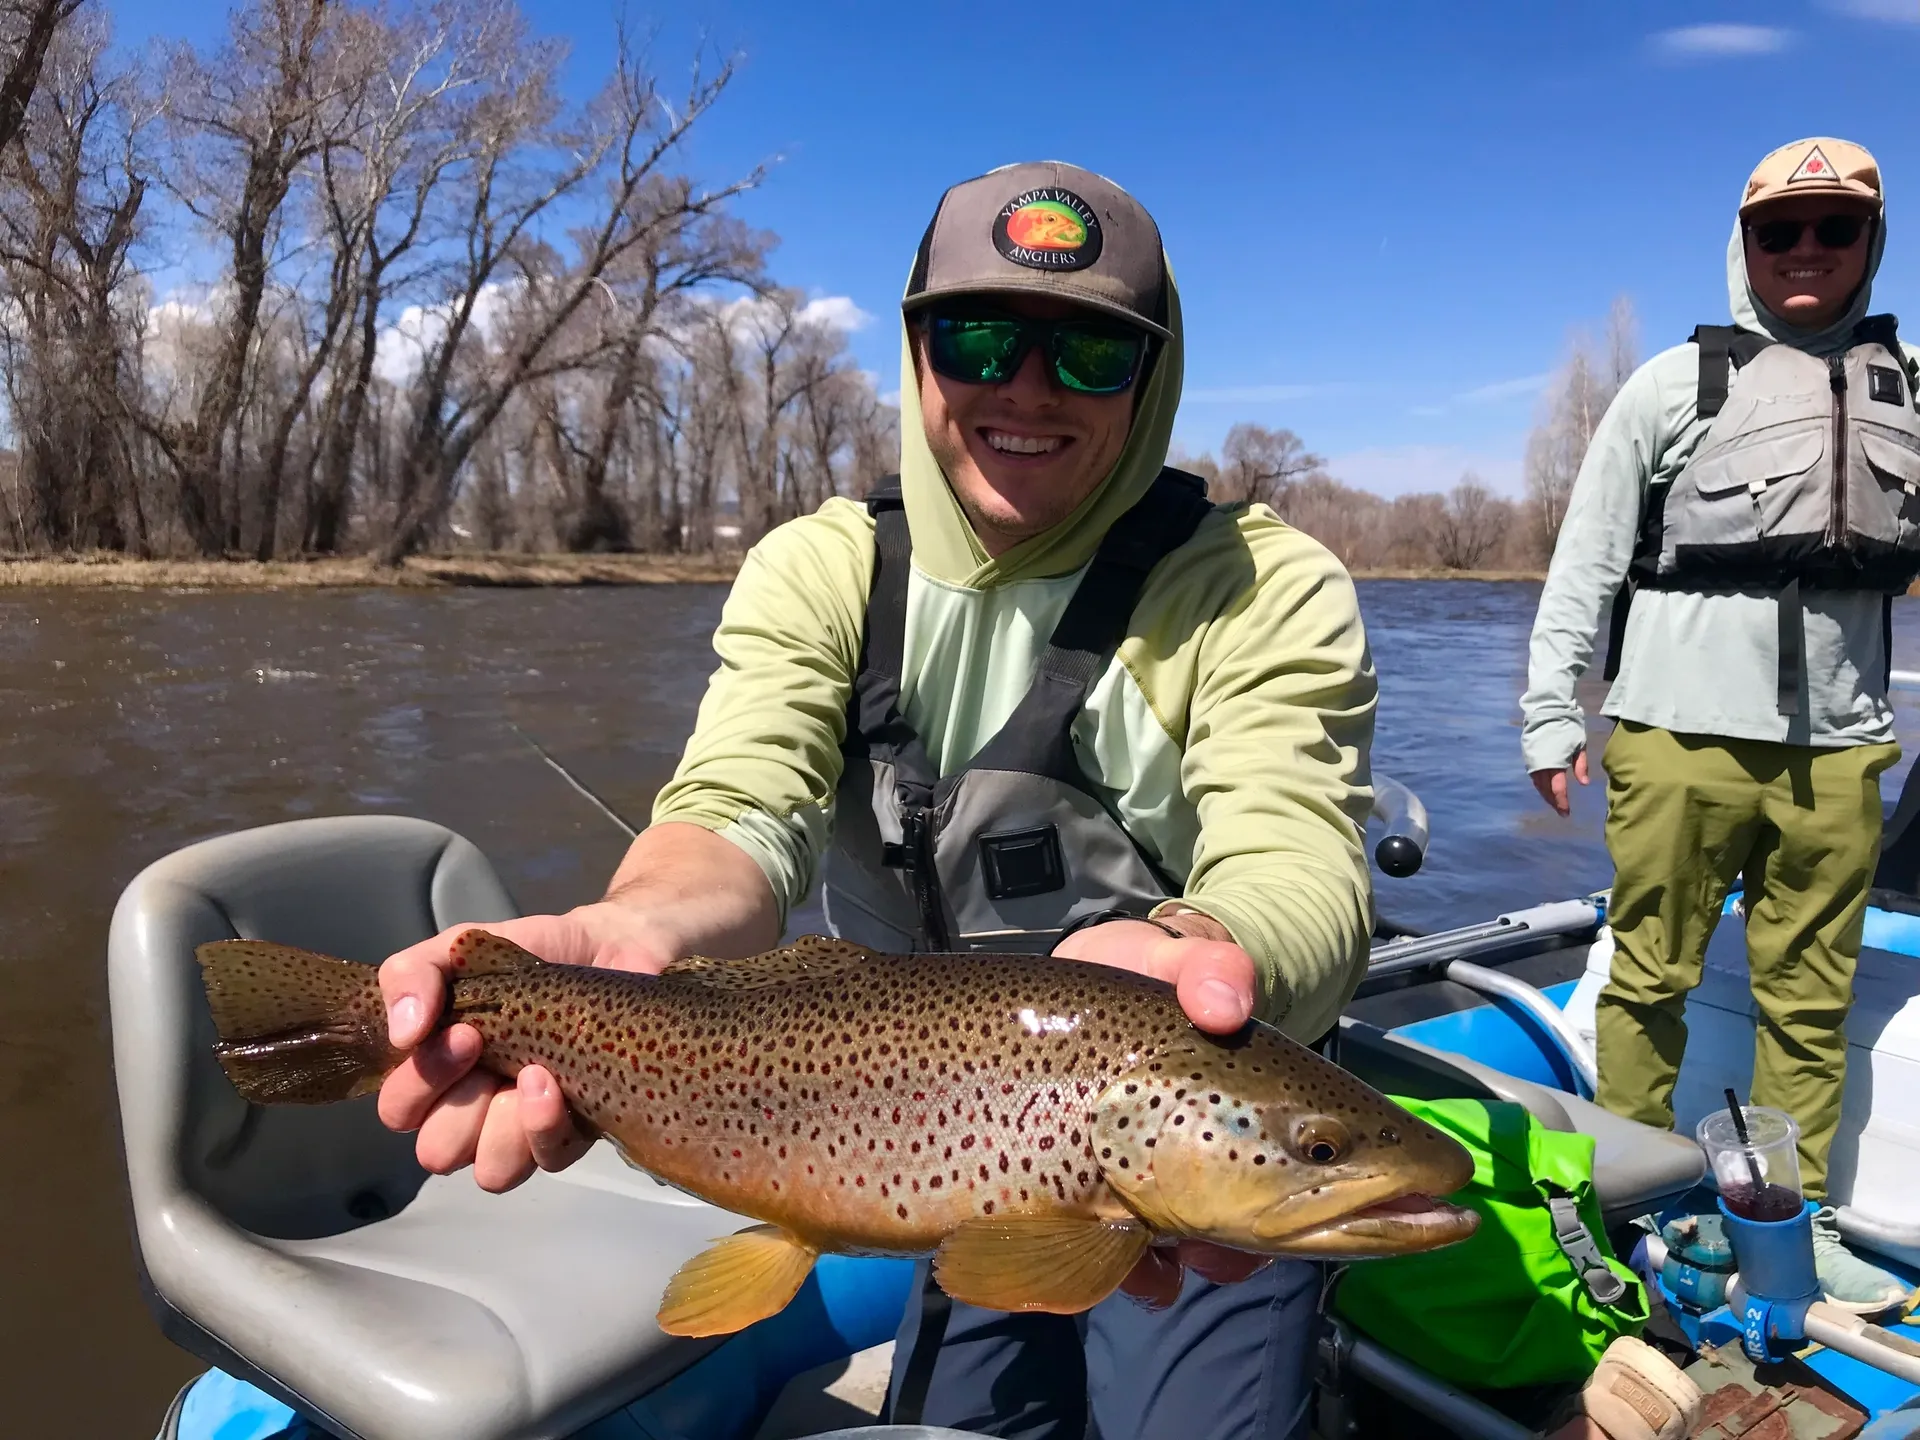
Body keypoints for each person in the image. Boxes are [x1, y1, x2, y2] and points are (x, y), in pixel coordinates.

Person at [375, 161, 1378, 1438]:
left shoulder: (1262, 585)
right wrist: (638, 935)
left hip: (1204, 1113)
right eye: (976, 338)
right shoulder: (821, 568)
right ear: (916, 353)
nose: (1024, 388)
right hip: (915, 1124)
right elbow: (738, 814)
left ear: (1155, 373)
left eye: (1089, 356)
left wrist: (1197, 952)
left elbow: (1296, 855)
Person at [1521, 137, 1918, 1314]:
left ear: (1870, 245)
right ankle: (1621, 1203)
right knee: (1648, 977)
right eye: (1779, 230)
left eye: (1831, 229)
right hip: (1675, 740)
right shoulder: (1668, 387)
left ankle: (1799, 1224)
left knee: (1811, 994)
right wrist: (1553, 715)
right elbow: (1585, 558)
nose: (1804, 251)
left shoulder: (1913, 387)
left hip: (1839, 750)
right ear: (1743, 244)